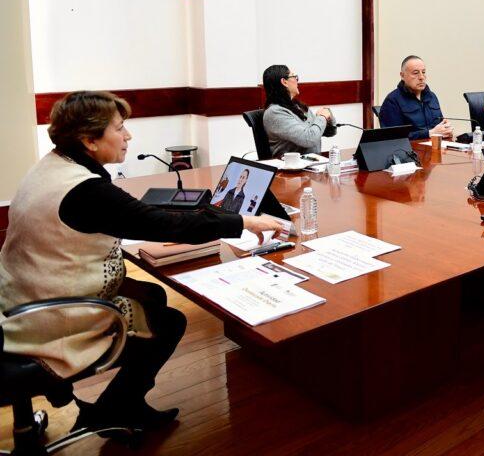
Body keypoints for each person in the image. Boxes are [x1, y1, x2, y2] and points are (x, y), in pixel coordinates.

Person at [0, 91, 283, 433]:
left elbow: (133, 215)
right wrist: (244, 222)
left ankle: (116, 405)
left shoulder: (53, 166)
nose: (128, 135)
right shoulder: (86, 192)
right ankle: (117, 409)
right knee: (170, 322)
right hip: (47, 320)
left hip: (19, 295)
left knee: (153, 295)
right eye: (119, 128)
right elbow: (165, 225)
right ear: (89, 140)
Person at [262, 64, 337, 158]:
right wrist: (322, 117)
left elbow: (329, 132)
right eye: (294, 76)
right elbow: (309, 139)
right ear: (284, 82)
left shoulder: (298, 106)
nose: (297, 81)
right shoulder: (275, 113)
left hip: (312, 162)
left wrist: (328, 117)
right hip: (291, 166)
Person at [379, 55, 453, 140]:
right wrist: (429, 133)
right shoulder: (392, 101)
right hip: (412, 148)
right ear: (402, 75)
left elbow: (439, 126)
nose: (421, 77)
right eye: (415, 73)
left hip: (436, 145)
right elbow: (393, 137)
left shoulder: (431, 96)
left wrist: (445, 129)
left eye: (423, 72)